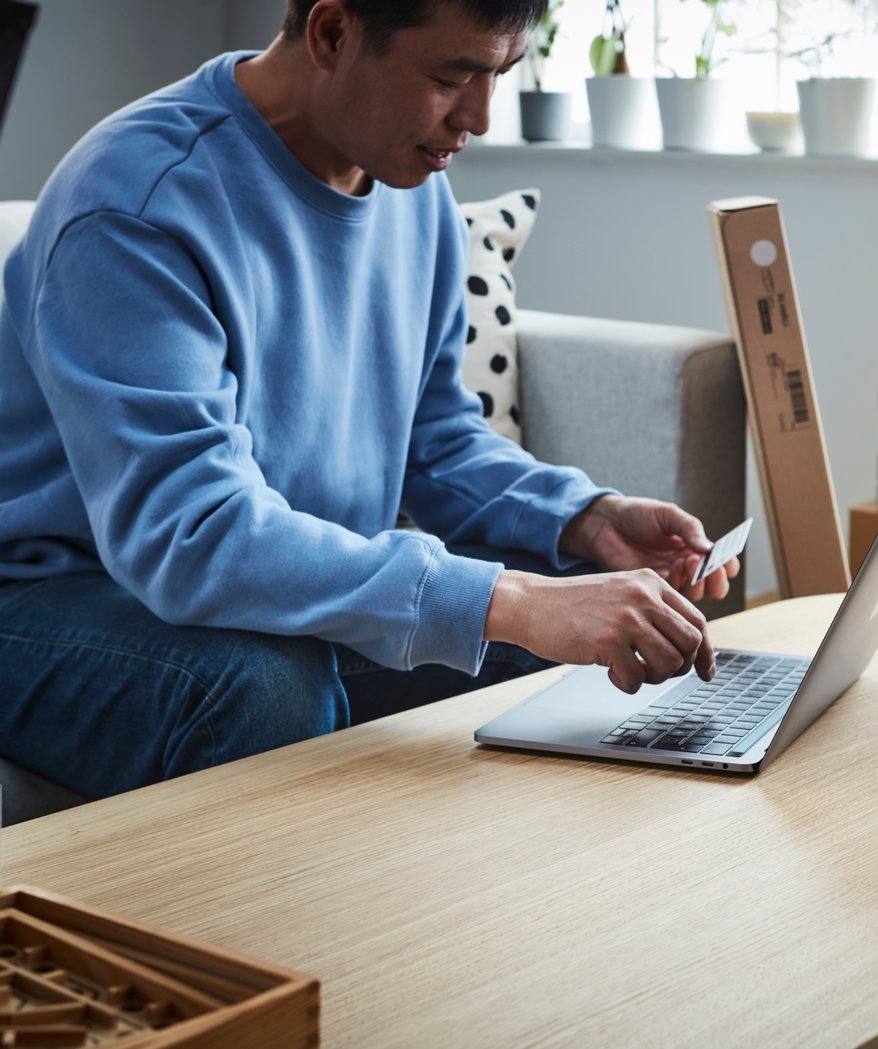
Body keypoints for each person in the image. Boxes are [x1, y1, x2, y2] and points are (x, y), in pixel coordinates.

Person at [0, 0, 738, 800]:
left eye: (501, 74)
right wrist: (514, 601)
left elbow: (438, 441)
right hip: (50, 598)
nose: (481, 117)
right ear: (331, 34)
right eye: (454, 75)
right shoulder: (138, 202)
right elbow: (192, 535)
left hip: (264, 581)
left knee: (605, 615)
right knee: (264, 686)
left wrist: (586, 520)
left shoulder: (409, 186)